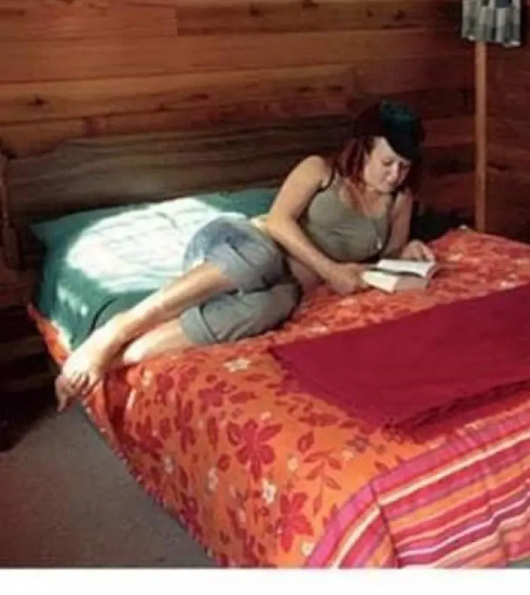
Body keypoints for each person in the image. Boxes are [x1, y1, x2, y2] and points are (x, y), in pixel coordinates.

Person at [55, 100, 435, 411]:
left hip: (285, 283)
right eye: (387, 163)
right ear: (362, 149)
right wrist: (330, 270)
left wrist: (407, 251)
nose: (394, 175)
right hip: (240, 243)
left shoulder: (398, 199)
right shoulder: (320, 170)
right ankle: (118, 328)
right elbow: (278, 221)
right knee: (261, 259)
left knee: (273, 306)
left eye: (403, 166)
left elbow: (386, 255)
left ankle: (114, 360)